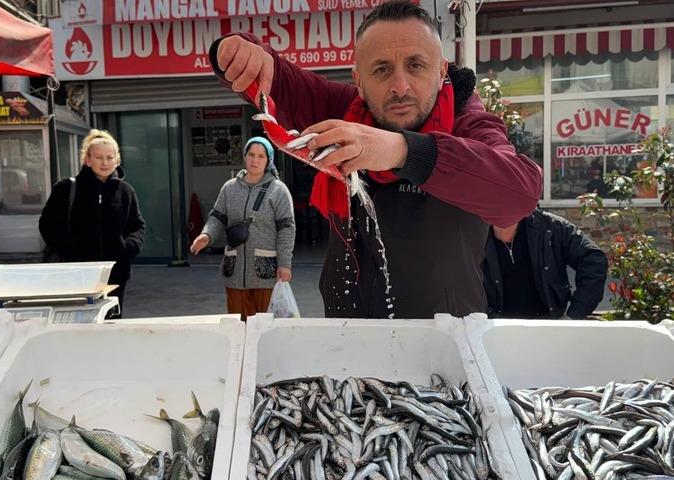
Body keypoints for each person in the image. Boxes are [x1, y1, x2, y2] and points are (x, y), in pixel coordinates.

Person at [209, 0, 542, 319]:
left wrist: (400, 150)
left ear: (441, 70)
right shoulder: (347, 112)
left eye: (416, 65)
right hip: (348, 336)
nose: (400, 86)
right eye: (381, 70)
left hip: (443, 342)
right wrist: (239, 51)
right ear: (359, 81)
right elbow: (277, 80)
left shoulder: (469, 123)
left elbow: (519, 193)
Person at [39, 129, 145, 318]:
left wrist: (126, 248)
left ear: (117, 161)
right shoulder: (65, 189)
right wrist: (70, 251)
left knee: (111, 325)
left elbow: (137, 226)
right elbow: (48, 226)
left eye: (109, 157)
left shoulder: (126, 192)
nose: (105, 163)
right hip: (74, 274)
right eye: (98, 157)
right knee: (76, 323)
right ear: (87, 160)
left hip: (114, 275)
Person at [190, 137, 295, 320]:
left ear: (268, 160)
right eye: (251, 155)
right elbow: (217, 217)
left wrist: (285, 263)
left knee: (264, 327)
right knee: (239, 325)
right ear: (245, 157)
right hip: (235, 273)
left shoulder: (278, 190)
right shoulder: (229, 188)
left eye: (261, 156)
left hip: (265, 272)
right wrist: (206, 235)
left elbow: (286, 229)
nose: (255, 160)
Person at [483, 209, 608, 319]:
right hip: (493, 330)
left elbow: (594, 259)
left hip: (548, 327)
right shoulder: (471, 234)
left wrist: (573, 314)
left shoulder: (550, 227)